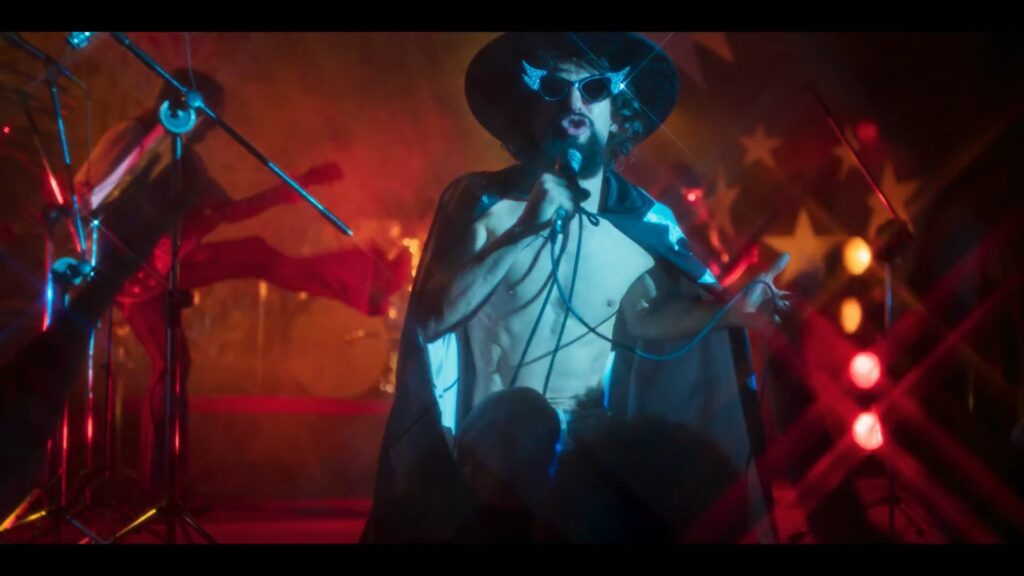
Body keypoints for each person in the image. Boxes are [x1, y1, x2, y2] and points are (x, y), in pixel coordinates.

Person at [363, 33, 788, 542]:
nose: (573, 102)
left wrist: (729, 313)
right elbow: (432, 320)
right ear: (529, 112)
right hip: (491, 458)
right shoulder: (482, 203)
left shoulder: (644, 224)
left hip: (584, 461)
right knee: (525, 420)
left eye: (594, 89)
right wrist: (525, 230)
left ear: (618, 115)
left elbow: (645, 320)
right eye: (554, 89)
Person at [74, 68, 411, 496]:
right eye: (209, 116)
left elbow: (232, 212)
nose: (212, 129)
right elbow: (88, 194)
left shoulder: (186, 159)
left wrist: (299, 186)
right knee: (174, 360)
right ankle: (157, 480)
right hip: (133, 270)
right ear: (186, 105)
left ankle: (165, 480)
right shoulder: (135, 135)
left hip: (165, 265)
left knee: (245, 267)